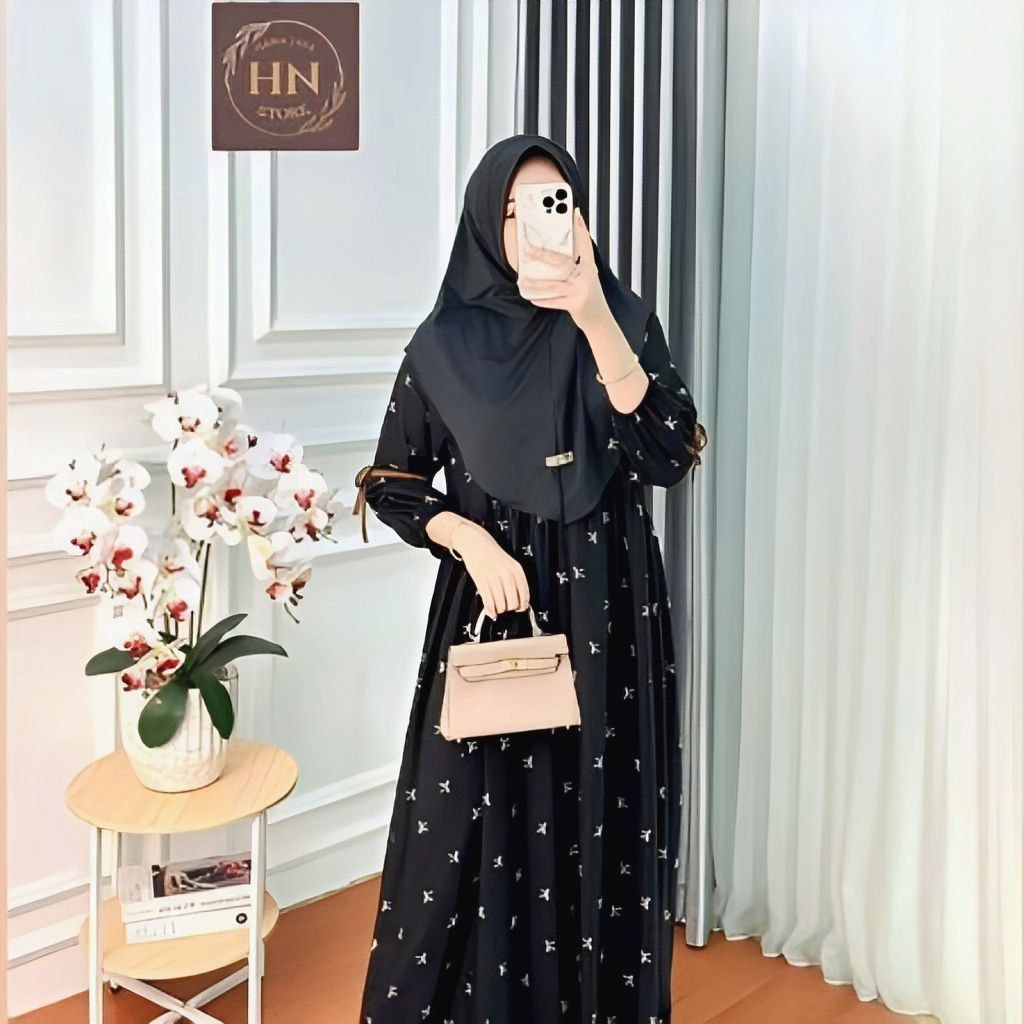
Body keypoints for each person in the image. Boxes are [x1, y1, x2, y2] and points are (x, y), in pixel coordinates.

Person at [356, 134, 706, 1024]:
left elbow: (669, 454)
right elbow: (393, 481)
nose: (531, 226)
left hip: (611, 605)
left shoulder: (621, 320)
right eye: (512, 211)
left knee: (605, 817)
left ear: (578, 218)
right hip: (496, 607)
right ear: (485, 223)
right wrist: (468, 540)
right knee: (467, 834)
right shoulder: (443, 346)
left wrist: (594, 316)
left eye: (552, 204)